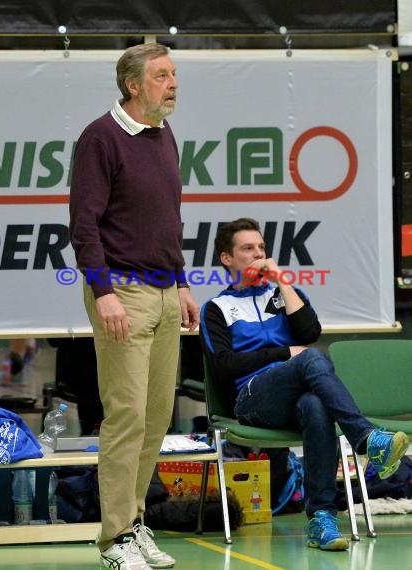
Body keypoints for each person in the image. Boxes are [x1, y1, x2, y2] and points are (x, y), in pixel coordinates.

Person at [200, 217, 408, 552]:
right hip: (252, 399)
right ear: (227, 258)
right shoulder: (217, 308)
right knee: (311, 358)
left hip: (293, 397)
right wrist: (284, 351)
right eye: (248, 248)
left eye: (262, 248)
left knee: (314, 403)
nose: (258, 255)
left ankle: (321, 519)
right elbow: (223, 367)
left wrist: (281, 280)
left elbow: (310, 332)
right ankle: (367, 438)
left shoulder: (283, 295)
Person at [69, 43, 199, 570]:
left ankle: (136, 521)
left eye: (174, 75)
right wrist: (103, 293)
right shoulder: (101, 137)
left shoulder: (163, 135)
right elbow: (84, 225)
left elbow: (167, 221)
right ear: (133, 85)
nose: (173, 84)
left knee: (156, 417)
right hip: (121, 291)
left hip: (167, 293)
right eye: (163, 76)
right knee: (125, 416)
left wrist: (183, 283)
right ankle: (115, 537)